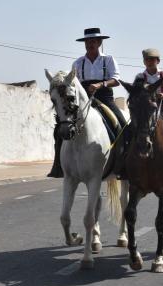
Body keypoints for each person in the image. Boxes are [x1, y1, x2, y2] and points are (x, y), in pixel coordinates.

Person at [48, 27, 126, 178]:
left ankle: (123, 165)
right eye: (87, 41)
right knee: (60, 126)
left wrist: (100, 85)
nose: (90, 44)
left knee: (122, 125)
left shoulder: (108, 60)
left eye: (93, 41)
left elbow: (116, 80)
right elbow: (71, 84)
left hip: (104, 97)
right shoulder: (78, 63)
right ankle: (58, 165)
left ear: (99, 42)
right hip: (83, 99)